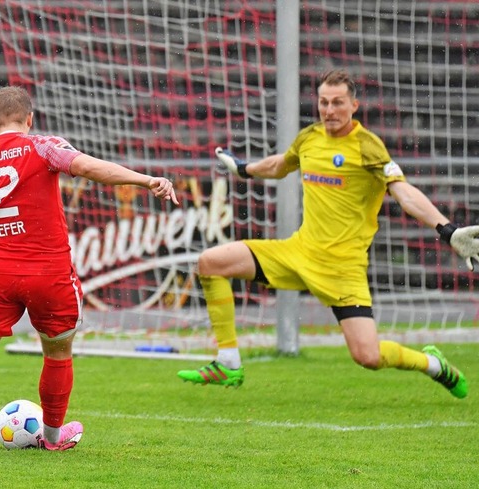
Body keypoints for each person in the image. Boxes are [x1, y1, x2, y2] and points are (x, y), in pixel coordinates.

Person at [0, 85, 179, 451]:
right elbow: (86, 167)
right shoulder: (43, 146)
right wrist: (144, 179)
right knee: (57, 352)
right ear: (30, 118)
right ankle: (52, 438)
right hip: (48, 274)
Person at [177, 69, 477, 399]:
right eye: (323, 102)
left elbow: (404, 193)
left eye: (337, 103)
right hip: (299, 252)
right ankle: (228, 362)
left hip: (343, 269)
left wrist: (446, 230)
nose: (329, 110)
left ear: (354, 106)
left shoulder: (368, 147)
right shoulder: (309, 138)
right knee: (211, 262)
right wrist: (244, 168)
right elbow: (281, 164)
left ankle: (432, 364)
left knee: (368, 356)